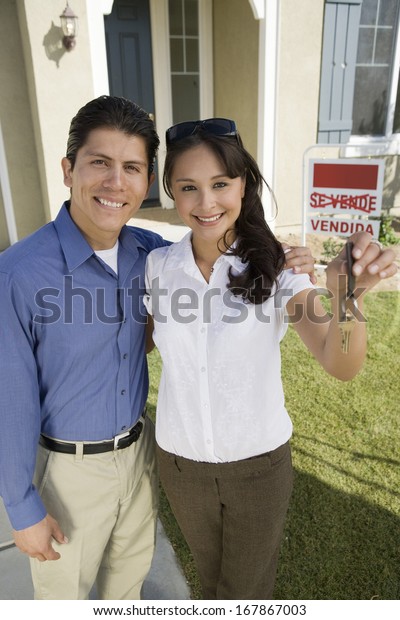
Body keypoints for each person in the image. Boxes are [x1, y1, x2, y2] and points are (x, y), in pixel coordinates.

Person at [0, 98, 314, 600]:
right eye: (99, 163)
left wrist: (287, 255)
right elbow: (10, 401)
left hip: (147, 457)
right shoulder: (17, 274)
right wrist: (21, 506)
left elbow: (220, 243)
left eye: (131, 168)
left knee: (127, 591)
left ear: (147, 183)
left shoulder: (150, 253)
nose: (115, 182)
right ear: (68, 169)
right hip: (69, 472)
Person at [144, 118, 397, 600]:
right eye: (189, 187)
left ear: (243, 184)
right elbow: (143, 341)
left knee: (247, 592)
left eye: (221, 184)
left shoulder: (279, 267)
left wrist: (348, 299)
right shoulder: (157, 266)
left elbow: (339, 363)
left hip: (257, 469)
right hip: (181, 465)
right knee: (211, 582)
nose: (206, 202)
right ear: (171, 193)